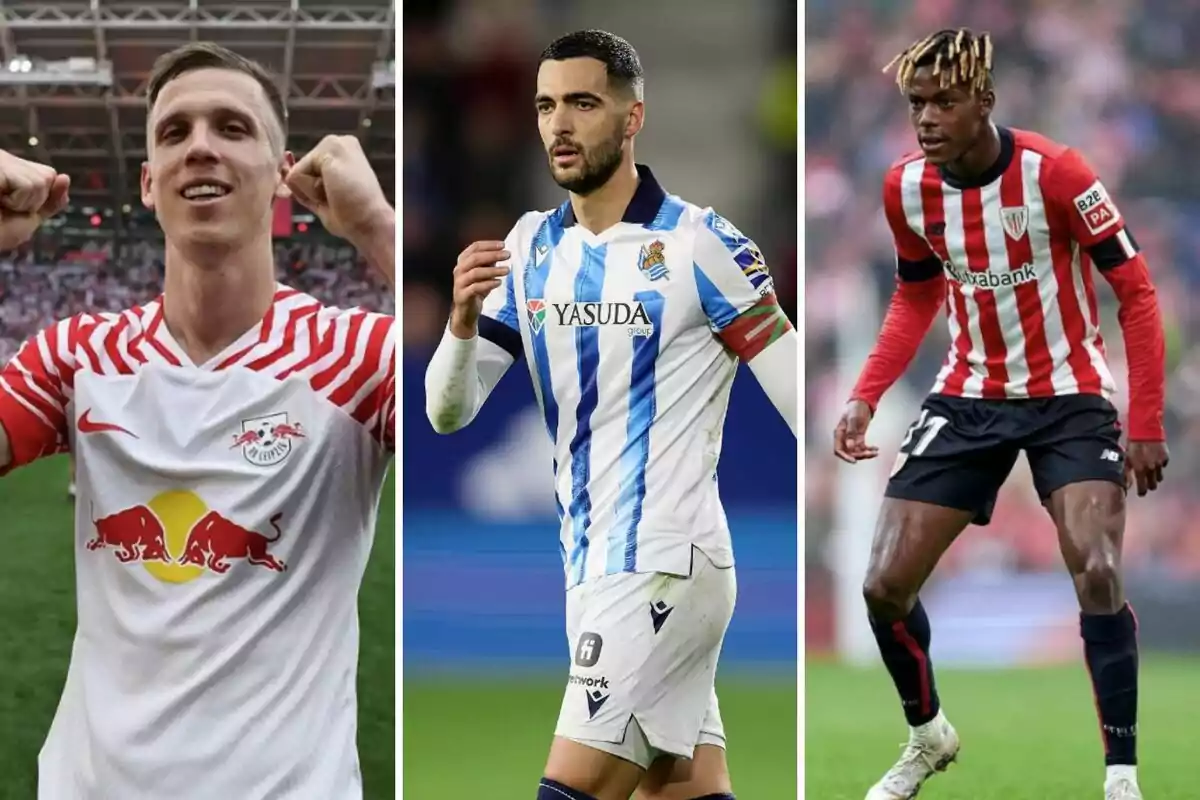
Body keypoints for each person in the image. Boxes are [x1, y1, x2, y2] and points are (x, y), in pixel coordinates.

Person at [0, 43, 395, 799]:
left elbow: (478, 399)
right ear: (149, 183)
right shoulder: (79, 355)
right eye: (175, 131)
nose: (201, 145)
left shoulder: (357, 356)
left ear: (283, 178)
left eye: (232, 127)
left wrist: (376, 224)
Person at [425, 29, 796, 800]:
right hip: (592, 565)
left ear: (631, 119)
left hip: (665, 559)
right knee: (682, 787)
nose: (559, 124)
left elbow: (796, 390)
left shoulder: (702, 244)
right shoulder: (529, 249)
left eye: (583, 103)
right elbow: (447, 413)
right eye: (546, 105)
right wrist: (461, 323)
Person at [832, 28, 1168, 800]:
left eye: (945, 102)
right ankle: (928, 737)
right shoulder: (906, 188)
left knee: (1098, 567)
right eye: (917, 103)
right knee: (883, 585)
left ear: (985, 101)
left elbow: (1139, 292)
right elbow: (917, 294)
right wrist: (866, 391)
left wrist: (1145, 421)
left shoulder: (1059, 173)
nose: (927, 118)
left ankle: (1121, 776)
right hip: (969, 396)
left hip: (1068, 398)